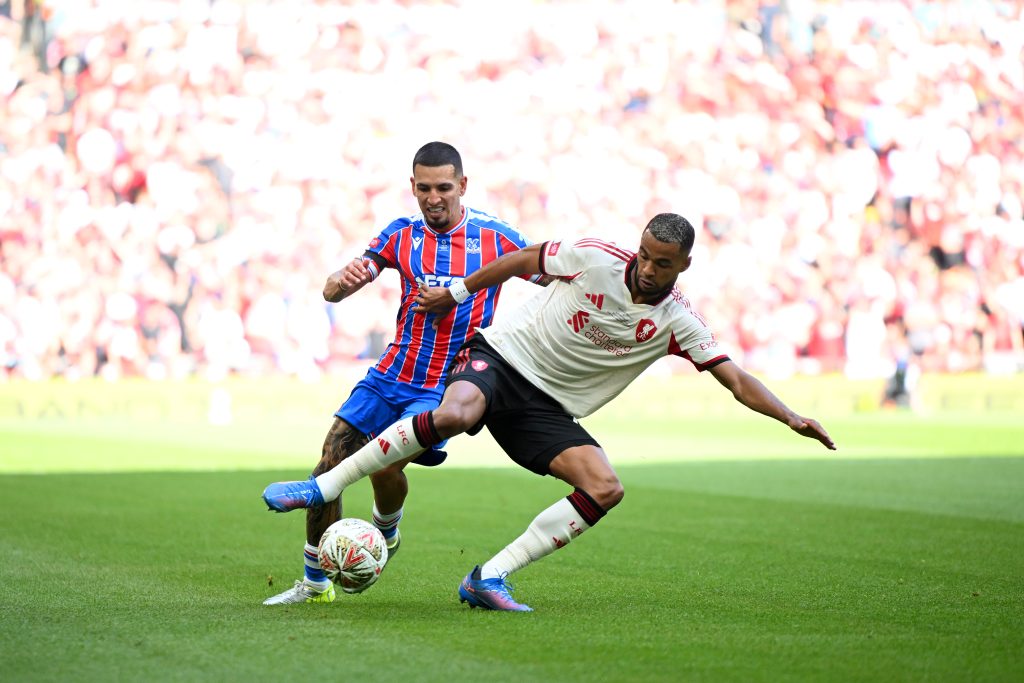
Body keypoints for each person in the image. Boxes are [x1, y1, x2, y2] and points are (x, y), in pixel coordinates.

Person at [263, 213, 836, 611]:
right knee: (458, 412)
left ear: (683, 266)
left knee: (605, 486)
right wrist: (460, 293)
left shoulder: (679, 321)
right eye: (645, 255)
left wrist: (791, 418)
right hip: (501, 357)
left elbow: (735, 379)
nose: (647, 268)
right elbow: (520, 259)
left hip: (546, 407)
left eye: (663, 263)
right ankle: (322, 488)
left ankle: (487, 577)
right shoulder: (595, 258)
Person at [262, 141, 546, 605]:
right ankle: (315, 583)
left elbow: (550, 275)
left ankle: (385, 532)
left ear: (463, 186)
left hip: (445, 386)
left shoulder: (497, 238)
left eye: (444, 187)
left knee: (387, 458)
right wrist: (341, 281)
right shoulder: (400, 234)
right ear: (412, 187)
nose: (434, 197)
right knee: (330, 460)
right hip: (391, 373)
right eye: (424, 188)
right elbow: (336, 288)